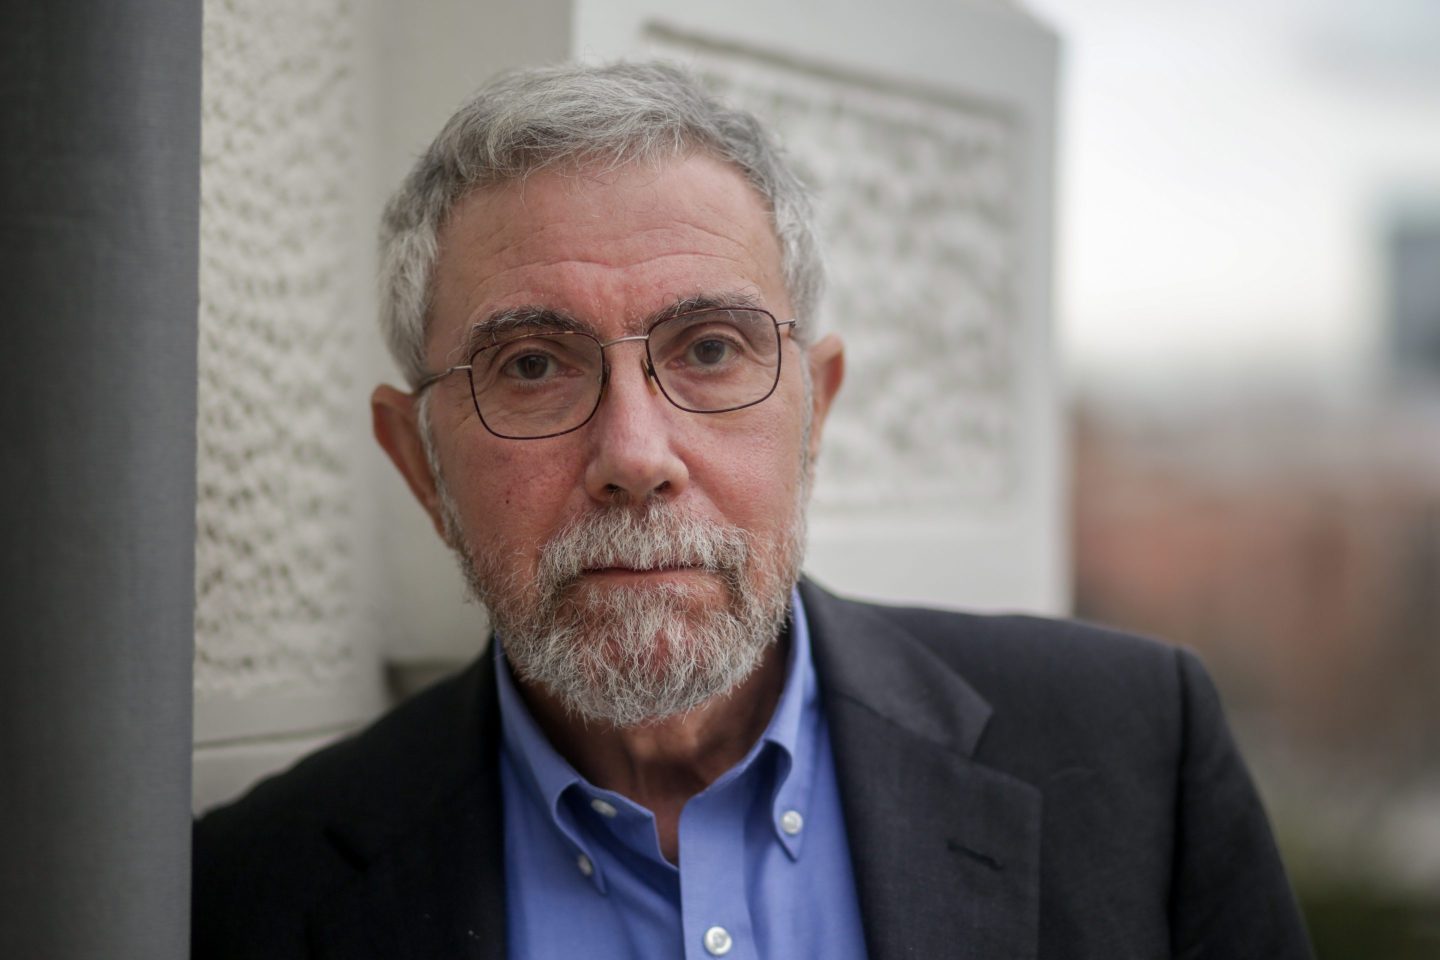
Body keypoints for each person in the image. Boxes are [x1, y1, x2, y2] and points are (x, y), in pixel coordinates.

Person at [192, 61, 1313, 959]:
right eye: (532, 365)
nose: (636, 457)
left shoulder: (1135, 756)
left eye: (710, 349)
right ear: (419, 464)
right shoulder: (244, 898)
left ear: (813, 413)